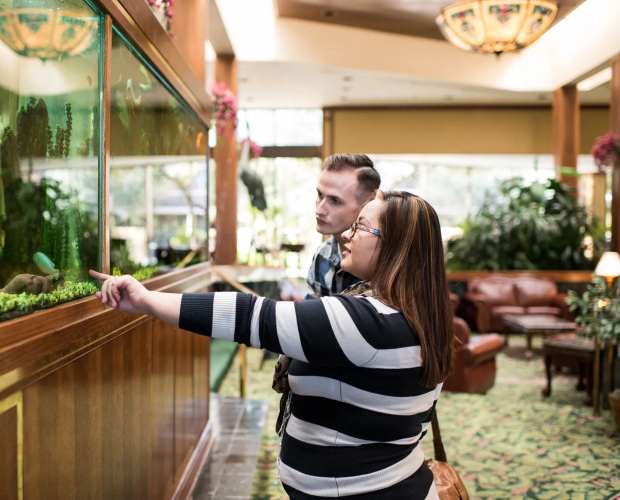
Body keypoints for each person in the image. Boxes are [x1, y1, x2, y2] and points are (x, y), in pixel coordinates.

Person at [90, 190, 455, 499]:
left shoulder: (368, 323)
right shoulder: (419, 315)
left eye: (361, 226)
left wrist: (146, 300)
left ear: (394, 245)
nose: (347, 234)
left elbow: (252, 317)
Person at [306, 154, 380, 299]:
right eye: (320, 195)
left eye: (335, 200)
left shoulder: (386, 263)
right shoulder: (323, 254)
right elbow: (310, 312)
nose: (319, 210)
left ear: (366, 206)